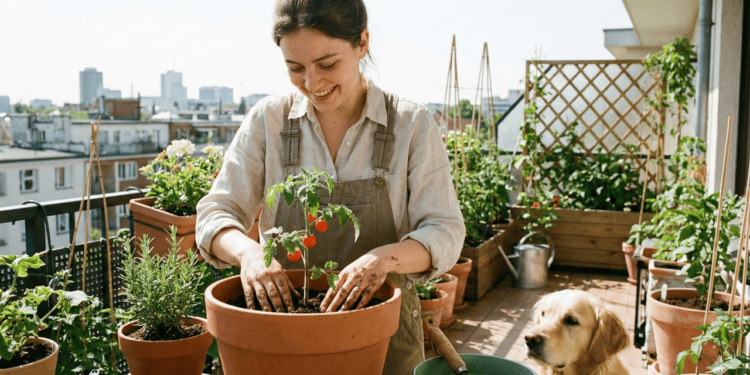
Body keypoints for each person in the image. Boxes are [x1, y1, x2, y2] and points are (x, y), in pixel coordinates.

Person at [195, 0, 464, 373]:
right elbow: (216, 213)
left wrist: (382, 259)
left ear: (362, 43)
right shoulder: (267, 121)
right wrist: (248, 254)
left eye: (327, 64)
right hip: (281, 332)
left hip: (380, 333)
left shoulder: (410, 124)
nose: (313, 83)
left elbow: (444, 228)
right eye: (295, 68)